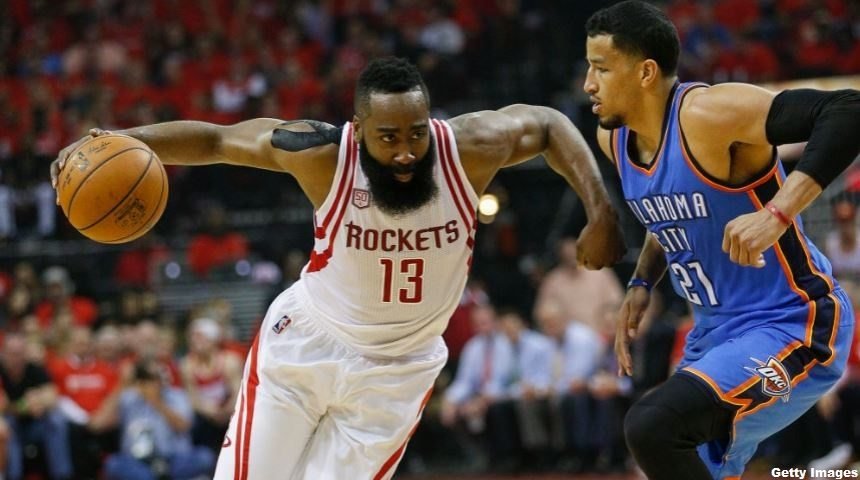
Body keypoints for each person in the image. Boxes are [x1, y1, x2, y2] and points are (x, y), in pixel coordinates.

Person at [51, 57, 626, 479]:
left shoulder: (467, 149)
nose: (405, 151)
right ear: (358, 128)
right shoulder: (322, 154)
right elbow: (217, 140)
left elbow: (549, 124)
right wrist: (119, 141)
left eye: (415, 133)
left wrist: (601, 209)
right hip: (307, 347)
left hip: (398, 370)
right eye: (387, 137)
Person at [584, 2, 860, 479]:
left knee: (654, 427)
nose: (588, 83)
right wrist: (642, 282)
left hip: (793, 323)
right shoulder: (614, 140)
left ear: (645, 72)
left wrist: (777, 213)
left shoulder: (709, 114)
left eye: (601, 68)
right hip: (714, 335)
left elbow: (848, 110)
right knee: (677, 460)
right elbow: (668, 213)